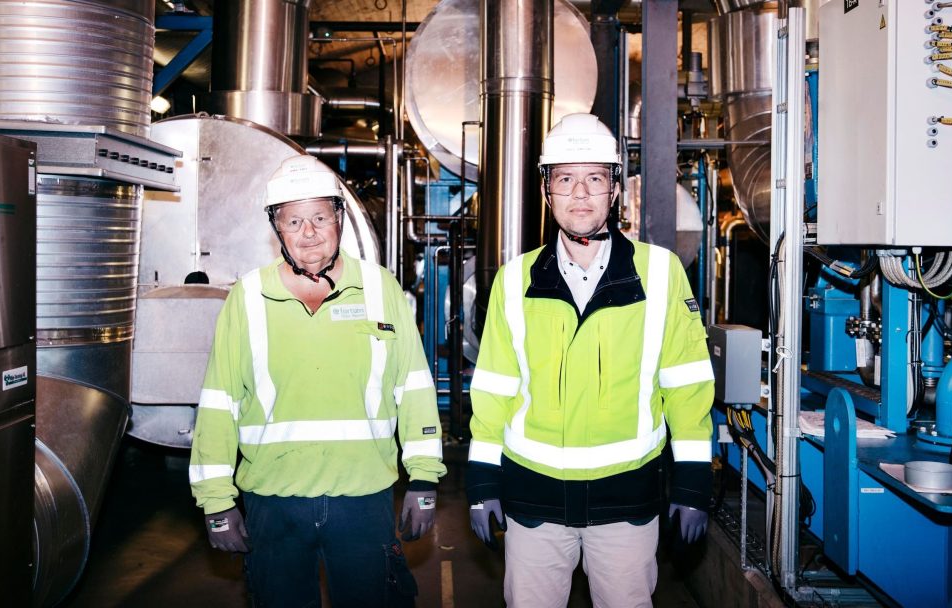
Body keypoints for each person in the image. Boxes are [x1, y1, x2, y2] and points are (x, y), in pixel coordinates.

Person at [465, 113, 714, 607]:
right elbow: (493, 388)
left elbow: (687, 387)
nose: (579, 193)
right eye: (565, 178)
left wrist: (692, 483)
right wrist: (481, 479)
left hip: (626, 503)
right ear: (546, 191)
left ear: (616, 189)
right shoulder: (514, 280)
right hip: (532, 503)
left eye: (594, 178)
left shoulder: (660, 274)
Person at [189, 154, 446, 607]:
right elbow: (219, 404)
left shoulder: (379, 288)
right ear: (277, 229)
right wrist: (215, 501)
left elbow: (414, 387)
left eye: (320, 217)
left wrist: (423, 479)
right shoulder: (246, 298)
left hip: (363, 499)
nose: (308, 233)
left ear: (340, 219)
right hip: (274, 501)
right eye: (294, 221)